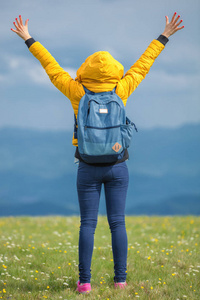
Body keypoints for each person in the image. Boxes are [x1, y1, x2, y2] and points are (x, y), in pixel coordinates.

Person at [11, 13, 184, 294]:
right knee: (118, 223)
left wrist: (28, 38)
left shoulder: (77, 93)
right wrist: (164, 36)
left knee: (88, 224)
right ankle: (120, 281)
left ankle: (85, 283)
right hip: (118, 165)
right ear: (114, 70)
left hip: (87, 165)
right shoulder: (121, 89)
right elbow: (142, 66)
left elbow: (51, 67)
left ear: (86, 69)